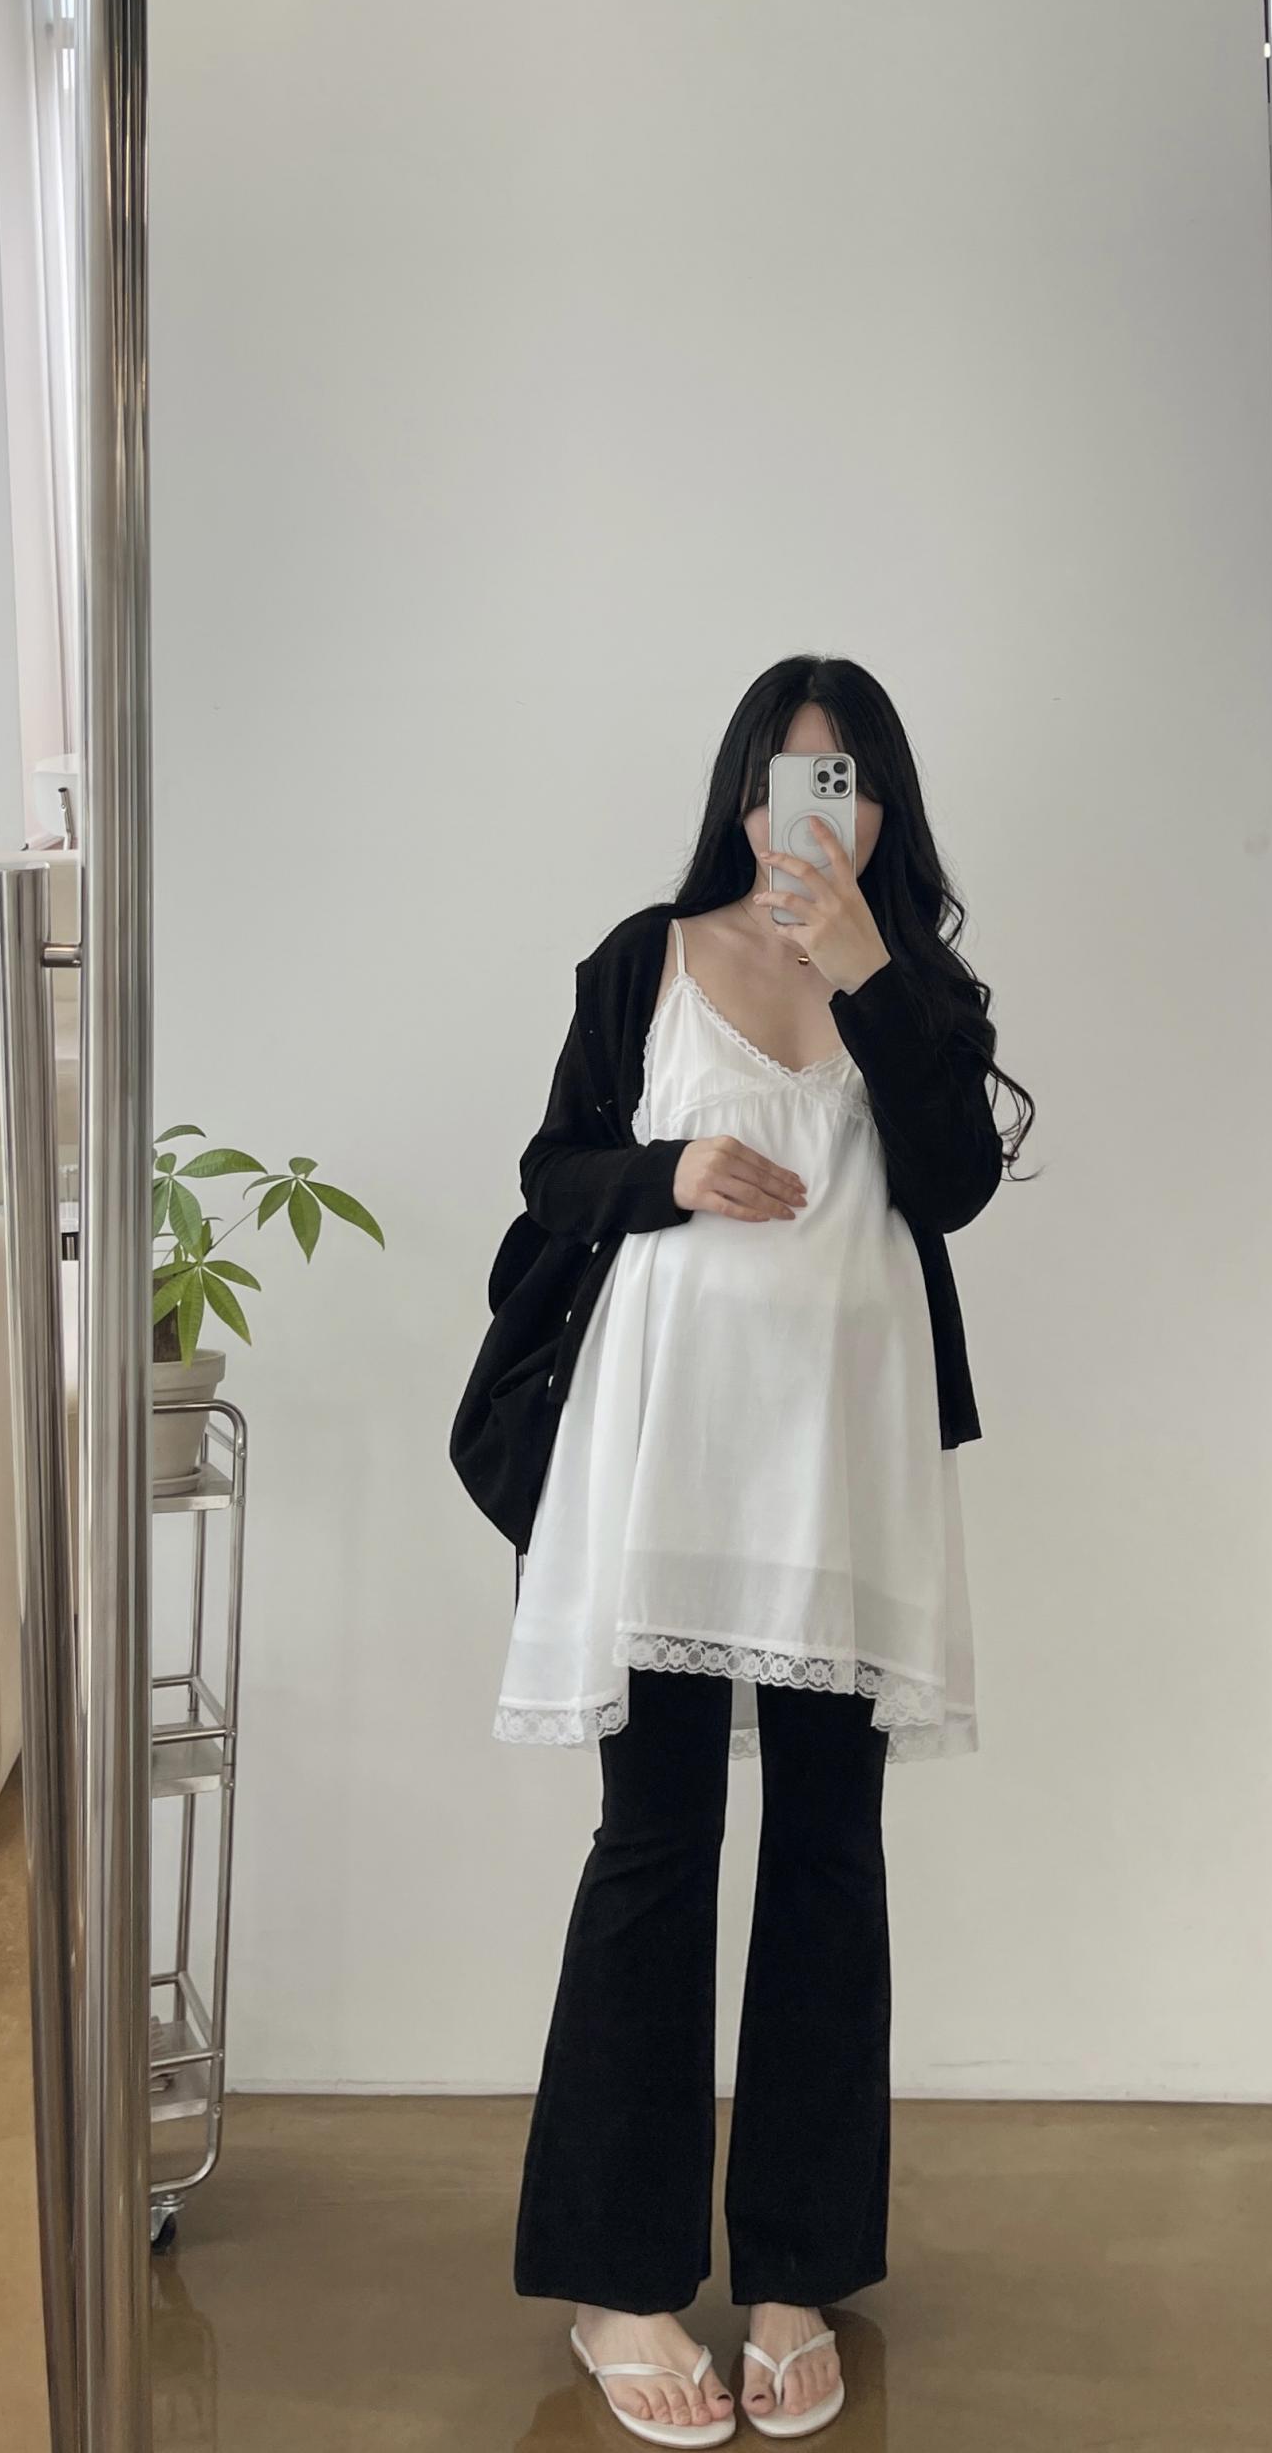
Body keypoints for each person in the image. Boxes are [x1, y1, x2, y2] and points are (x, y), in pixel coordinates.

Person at [484, 658, 1033, 2442]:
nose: (817, 808)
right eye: (792, 776)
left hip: (844, 1478)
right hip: (665, 1473)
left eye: (846, 780)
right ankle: (620, 2284)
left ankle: (799, 2273)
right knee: (653, 1849)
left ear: (883, 809)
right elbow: (549, 1172)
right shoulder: (642, 960)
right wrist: (672, 1171)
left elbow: (952, 1186)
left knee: (827, 1854)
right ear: (743, 796)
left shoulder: (914, 987)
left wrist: (869, 974)